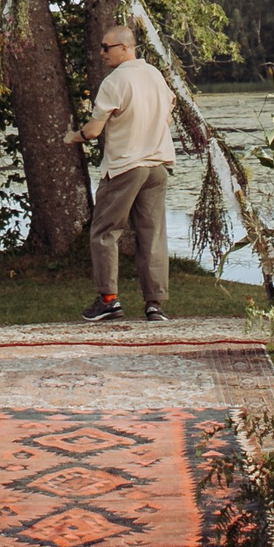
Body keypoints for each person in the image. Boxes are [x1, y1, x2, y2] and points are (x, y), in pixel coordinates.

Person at [67, 23, 176, 322]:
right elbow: (168, 111)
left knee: (104, 231)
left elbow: (93, 130)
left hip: (126, 166)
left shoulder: (115, 82)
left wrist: (72, 137)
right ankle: (154, 304)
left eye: (107, 47)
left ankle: (108, 301)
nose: (101, 52)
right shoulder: (154, 75)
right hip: (157, 166)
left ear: (125, 48)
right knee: (152, 234)